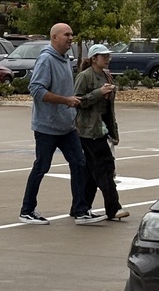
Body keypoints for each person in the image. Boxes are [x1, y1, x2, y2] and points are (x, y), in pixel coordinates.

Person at [19, 23, 105, 226]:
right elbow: (36, 90)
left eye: (72, 34)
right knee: (41, 166)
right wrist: (66, 101)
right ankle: (27, 210)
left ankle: (80, 211)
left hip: (66, 127)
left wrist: (71, 113)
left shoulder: (65, 59)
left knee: (79, 164)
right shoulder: (46, 59)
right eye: (66, 35)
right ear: (54, 37)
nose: (70, 38)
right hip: (47, 127)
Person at [74, 45, 130, 220]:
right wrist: (100, 92)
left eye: (108, 56)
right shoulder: (85, 76)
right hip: (89, 130)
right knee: (105, 168)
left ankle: (80, 207)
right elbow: (78, 101)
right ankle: (113, 208)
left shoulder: (107, 76)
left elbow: (108, 109)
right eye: (103, 56)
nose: (107, 59)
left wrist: (113, 131)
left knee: (92, 172)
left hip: (102, 128)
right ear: (93, 58)